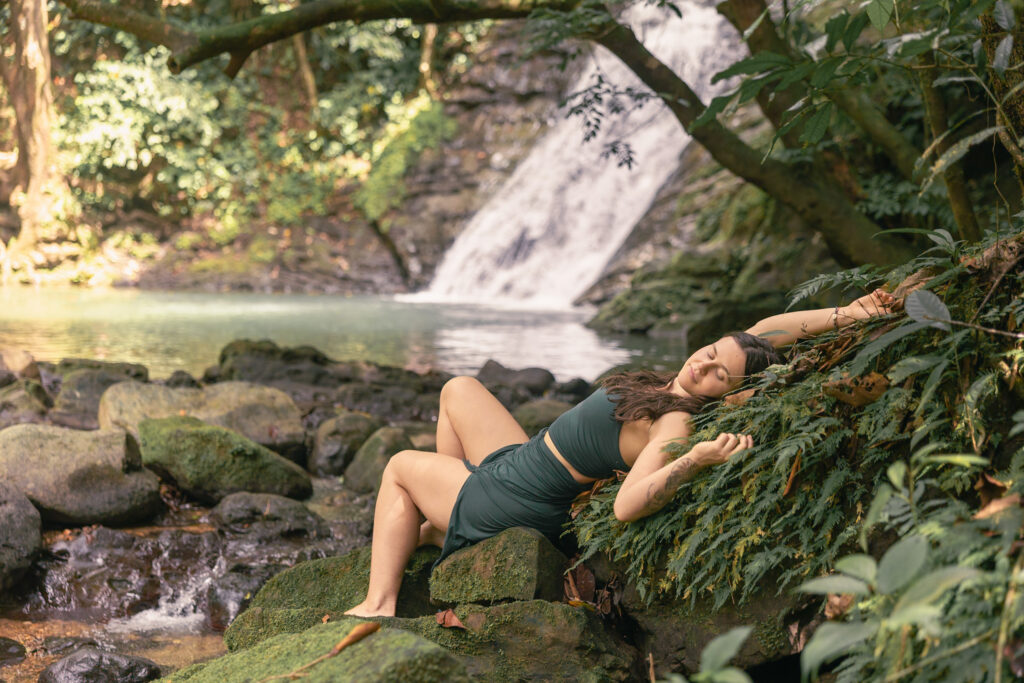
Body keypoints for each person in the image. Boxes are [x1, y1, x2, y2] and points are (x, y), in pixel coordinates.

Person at [344, 289, 897, 617]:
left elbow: (626, 506)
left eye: (717, 375)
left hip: (520, 497)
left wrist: (692, 461)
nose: (700, 367)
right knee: (458, 388)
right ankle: (450, 524)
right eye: (706, 354)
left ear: (735, 393)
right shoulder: (687, 383)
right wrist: (851, 314)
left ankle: (381, 600)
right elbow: (767, 333)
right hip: (521, 462)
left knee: (397, 466)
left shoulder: (677, 423)